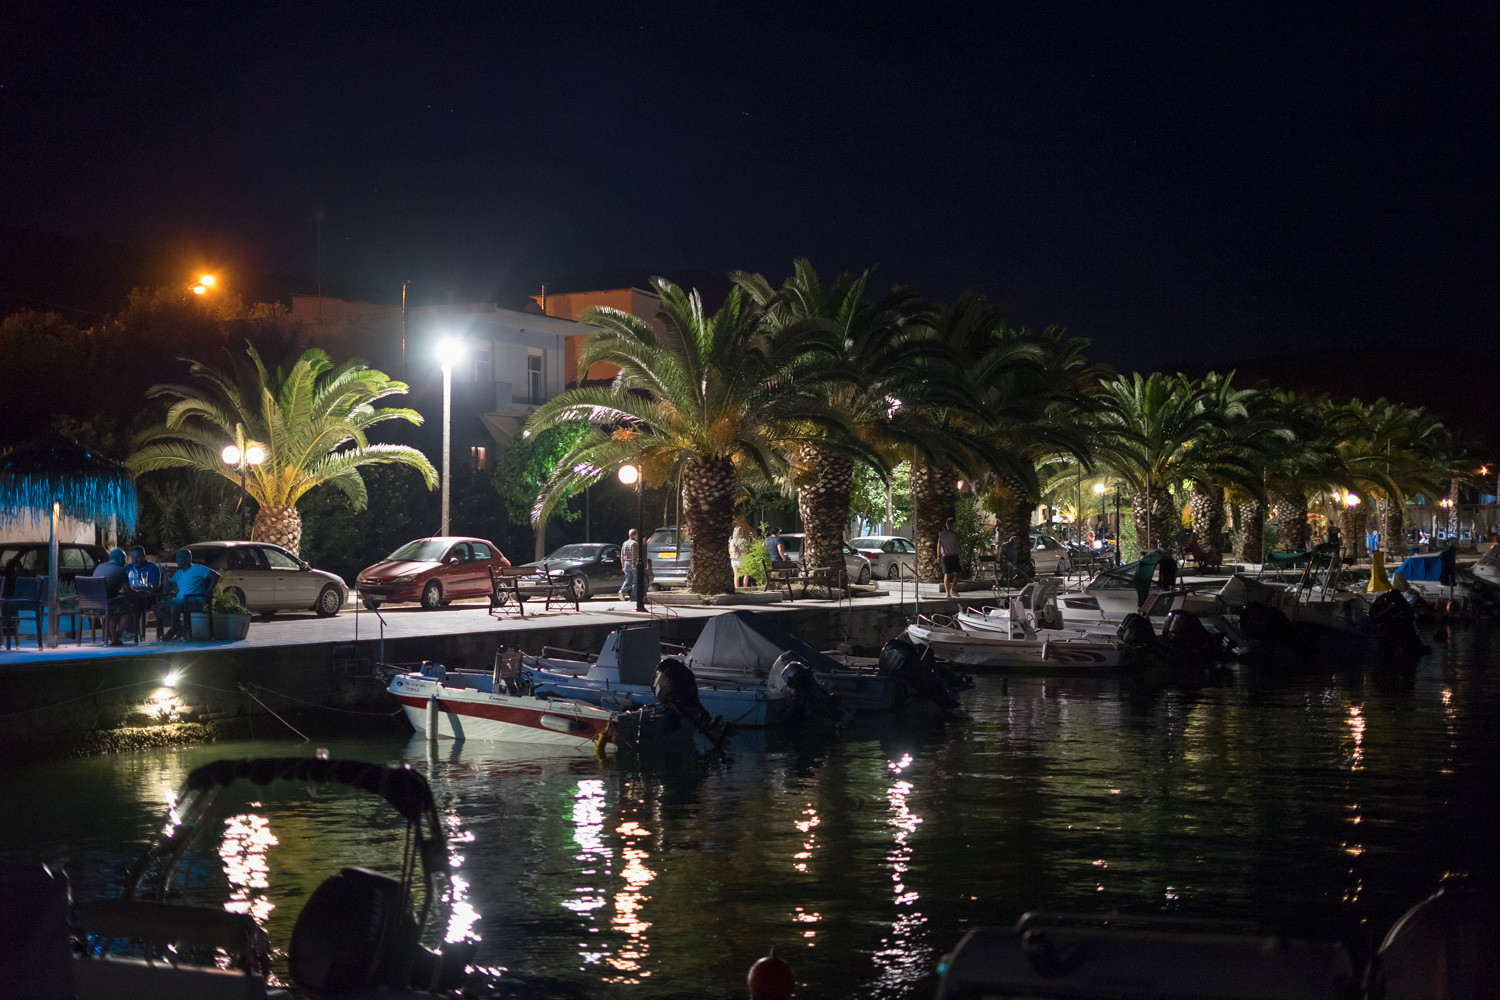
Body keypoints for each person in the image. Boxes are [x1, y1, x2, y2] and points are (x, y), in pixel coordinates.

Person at [159, 549, 214, 640]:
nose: (177, 559)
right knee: (157, 607)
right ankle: (179, 627)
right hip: (180, 601)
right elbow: (168, 589)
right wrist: (165, 574)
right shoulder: (178, 573)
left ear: (187, 558)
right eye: (177, 557)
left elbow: (215, 576)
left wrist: (208, 591)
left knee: (174, 606)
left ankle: (173, 630)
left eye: (180, 557)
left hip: (195, 601)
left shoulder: (197, 568)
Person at [89, 548, 133, 645]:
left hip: (92, 605)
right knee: (130, 609)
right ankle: (118, 635)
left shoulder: (99, 567)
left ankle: (114, 637)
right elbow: (129, 591)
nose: (125, 561)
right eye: (125, 558)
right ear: (121, 559)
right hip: (107, 605)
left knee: (116, 606)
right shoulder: (120, 570)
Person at [125, 546, 161, 640]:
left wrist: (146, 585)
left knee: (135, 601)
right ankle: (122, 631)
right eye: (133, 557)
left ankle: (131, 631)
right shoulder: (128, 568)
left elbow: (155, 585)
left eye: (138, 557)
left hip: (148, 598)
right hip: (132, 596)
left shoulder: (151, 567)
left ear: (144, 556)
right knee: (125, 601)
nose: (135, 560)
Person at [937, 518, 961, 598]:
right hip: (950, 556)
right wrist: (960, 557)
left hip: (948, 556)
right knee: (952, 574)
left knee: (951, 574)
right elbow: (958, 546)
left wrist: (938, 555)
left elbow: (938, 546)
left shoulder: (943, 534)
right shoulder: (952, 535)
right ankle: (950, 591)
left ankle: (950, 591)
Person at [618, 528, 640, 602]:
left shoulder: (625, 543)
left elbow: (622, 555)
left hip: (626, 563)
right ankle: (633, 597)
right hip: (633, 562)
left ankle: (622, 591)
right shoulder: (635, 543)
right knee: (635, 581)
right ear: (635, 535)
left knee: (628, 579)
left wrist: (623, 566)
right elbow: (636, 555)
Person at [730, 524, 751, 588]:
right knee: (746, 573)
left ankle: (736, 588)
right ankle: (745, 587)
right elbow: (746, 550)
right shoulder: (744, 541)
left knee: (736, 575)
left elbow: (730, 549)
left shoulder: (732, 541)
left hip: (734, 558)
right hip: (742, 558)